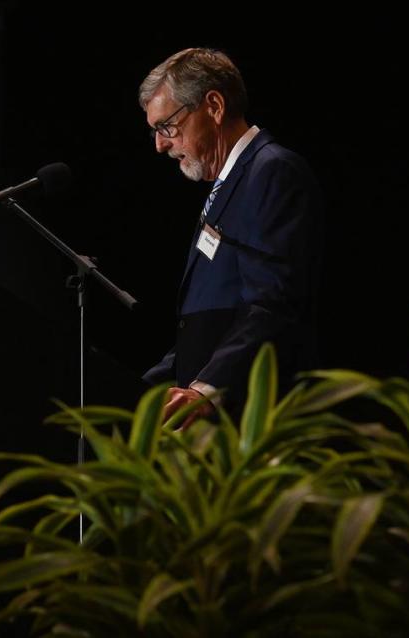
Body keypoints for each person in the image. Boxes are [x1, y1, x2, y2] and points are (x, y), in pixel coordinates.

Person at [138, 48, 323, 427]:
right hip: (211, 422)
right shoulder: (227, 184)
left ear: (214, 106)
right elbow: (213, 321)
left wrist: (208, 389)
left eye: (166, 126)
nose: (160, 145)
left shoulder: (272, 172)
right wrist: (148, 387)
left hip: (251, 422)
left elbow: (273, 304)